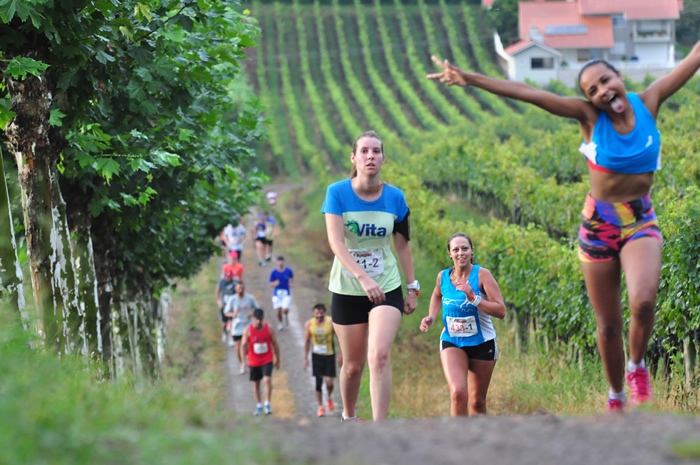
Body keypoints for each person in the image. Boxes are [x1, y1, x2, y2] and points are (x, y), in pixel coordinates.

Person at [427, 43, 700, 412]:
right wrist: (470, 78)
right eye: (592, 90)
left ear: (619, 77)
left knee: (644, 300)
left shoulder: (649, 101)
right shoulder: (589, 118)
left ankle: (636, 367)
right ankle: (616, 393)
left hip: (639, 219)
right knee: (607, 325)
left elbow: (691, 58)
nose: (602, 91)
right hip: (599, 224)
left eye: (606, 81)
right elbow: (531, 93)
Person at [321, 130, 418, 422]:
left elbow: (402, 243)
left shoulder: (395, 197)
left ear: (384, 158)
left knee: (379, 355)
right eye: (364, 151)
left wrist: (412, 287)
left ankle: (379, 430)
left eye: (376, 151)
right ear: (354, 158)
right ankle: (349, 418)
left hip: (387, 285)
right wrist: (363, 278)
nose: (370, 156)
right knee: (352, 365)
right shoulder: (337, 193)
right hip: (348, 288)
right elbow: (336, 242)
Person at [419, 233, 506, 416]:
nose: (461, 253)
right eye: (456, 249)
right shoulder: (442, 277)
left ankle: (476, 441)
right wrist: (432, 316)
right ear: (450, 254)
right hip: (452, 340)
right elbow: (436, 295)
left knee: (478, 402)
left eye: (465, 248)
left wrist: (473, 298)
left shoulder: (482, 275)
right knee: (458, 394)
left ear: (472, 251)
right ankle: (456, 441)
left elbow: (500, 310)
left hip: (482, 343)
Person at [304, 303, 342, 417]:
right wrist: (305, 358)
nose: (319, 315)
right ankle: (320, 407)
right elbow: (307, 341)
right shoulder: (309, 324)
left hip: (329, 355)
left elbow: (339, 337)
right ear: (313, 313)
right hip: (316, 356)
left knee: (329, 382)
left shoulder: (330, 322)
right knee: (318, 383)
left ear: (325, 312)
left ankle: (329, 397)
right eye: (317, 313)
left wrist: (341, 354)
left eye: (321, 313)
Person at [241, 308, 281, 415]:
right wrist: (243, 361)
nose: (258, 321)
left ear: (263, 319)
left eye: (260, 319)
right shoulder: (248, 330)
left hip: (267, 359)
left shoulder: (269, 329)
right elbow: (243, 346)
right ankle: (259, 405)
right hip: (254, 361)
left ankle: (267, 403)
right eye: (256, 319)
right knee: (256, 384)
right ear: (253, 318)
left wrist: (278, 359)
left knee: (267, 380)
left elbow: (275, 344)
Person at [227, 281, 259, 374]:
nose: (240, 290)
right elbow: (226, 312)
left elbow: (258, 309)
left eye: (242, 288)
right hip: (237, 327)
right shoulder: (232, 299)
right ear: (235, 290)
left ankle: (248, 361)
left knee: (247, 345)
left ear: (244, 288)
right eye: (238, 288)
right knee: (238, 347)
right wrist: (233, 314)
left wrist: (252, 314)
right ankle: (242, 363)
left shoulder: (250, 298)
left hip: (248, 325)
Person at [269, 256, 294, 331]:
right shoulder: (274, 273)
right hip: (277, 294)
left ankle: (286, 315)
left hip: (286, 293)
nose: (280, 263)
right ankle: (280, 323)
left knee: (285, 309)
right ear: (277, 262)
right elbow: (270, 284)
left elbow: (291, 279)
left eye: (281, 261)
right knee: (278, 311)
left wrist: (291, 283)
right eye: (279, 261)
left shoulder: (289, 271)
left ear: (283, 262)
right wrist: (275, 284)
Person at [216, 270, 238, 345]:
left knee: (232, 322)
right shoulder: (222, 282)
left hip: (232, 306)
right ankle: (224, 333)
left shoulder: (235, 282)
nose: (229, 278)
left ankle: (231, 339)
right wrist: (219, 301)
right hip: (224, 306)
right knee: (224, 324)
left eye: (230, 277)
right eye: (227, 277)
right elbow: (217, 291)